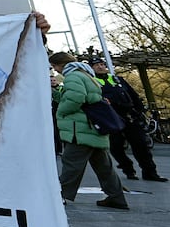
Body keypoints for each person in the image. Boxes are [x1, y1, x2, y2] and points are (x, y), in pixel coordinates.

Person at [52, 51, 129, 210]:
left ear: (61, 64)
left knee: (72, 164)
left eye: (55, 66)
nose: (55, 70)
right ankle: (116, 197)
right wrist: (55, 93)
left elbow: (76, 98)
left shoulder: (73, 76)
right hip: (93, 129)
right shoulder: (86, 75)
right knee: (104, 167)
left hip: (80, 129)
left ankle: (60, 196)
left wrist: (61, 111)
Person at [92, 57, 165, 182]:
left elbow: (133, 96)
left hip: (130, 117)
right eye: (96, 65)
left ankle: (150, 172)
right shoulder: (92, 82)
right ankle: (128, 169)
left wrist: (140, 111)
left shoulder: (117, 79)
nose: (100, 66)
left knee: (141, 145)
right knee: (116, 147)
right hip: (111, 119)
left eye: (102, 64)